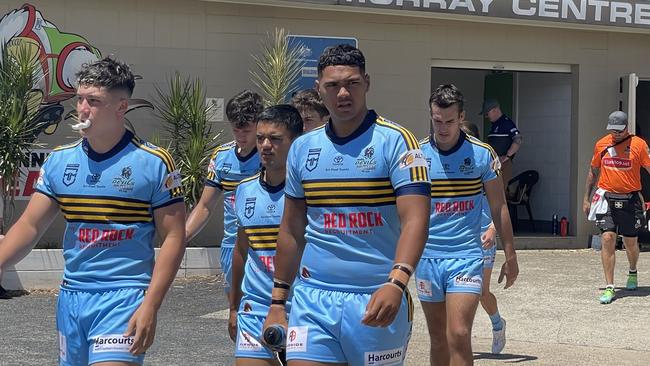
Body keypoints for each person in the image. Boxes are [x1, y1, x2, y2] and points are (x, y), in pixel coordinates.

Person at [0, 57, 186, 365]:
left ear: (121, 108)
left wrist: (151, 305)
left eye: (94, 101)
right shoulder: (60, 161)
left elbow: (174, 238)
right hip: (72, 298)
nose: (82, 109)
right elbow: (30, 226)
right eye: (80, 99)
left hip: (124, 297)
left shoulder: (153, 162)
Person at [263, 44, 431, 365]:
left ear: (367, 83)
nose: (343, 93)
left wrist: (397, 282)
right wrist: (277, 302)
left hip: (376, 300)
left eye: (352, 83)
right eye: (333, 85)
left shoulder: (396, 141)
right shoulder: (302, 149)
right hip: (313, 300)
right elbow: (291, 230)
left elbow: (416, 220)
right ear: (319, 89)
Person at [418, 85, 518, 366]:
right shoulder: (418, 154)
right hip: (428, 257)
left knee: (459, 333)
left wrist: (510, 254)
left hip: (466, 256)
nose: (443, 127)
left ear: (461, 117)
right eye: (437, 120)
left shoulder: (482, 154)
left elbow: (499, 206)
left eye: (450, 121)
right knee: (437, 337)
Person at [229, 104, 303, 365]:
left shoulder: (311, 192)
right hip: (255, 308)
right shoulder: (245, 190)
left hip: (301, 307)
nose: (265, 145)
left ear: (296, 142)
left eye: (275, 139)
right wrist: (234, 306)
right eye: (261, 138)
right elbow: (241, 250)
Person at [185, 90, 263, 299]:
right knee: (235, 311)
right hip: (232, 246)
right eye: (236, 130)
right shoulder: (221, 156)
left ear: (259, 123)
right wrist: (181, 238)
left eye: (246, 130)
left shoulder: (272, 155)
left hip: (265, 245)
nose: (240, 136)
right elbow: (205, 206)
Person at [584, 111, 650, 304]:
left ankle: (632, 271)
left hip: (630, 200)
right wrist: (586, 199)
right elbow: (593, 170)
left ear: (626, 128)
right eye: (613, 130)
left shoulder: (639, 145)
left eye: (619, 130)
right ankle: (610, 287)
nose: (616, 133)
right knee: (607, 237)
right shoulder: (601, 144)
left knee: (630, 243)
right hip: (607, 198)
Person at [460, 121, 507, 354]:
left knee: (480, 292)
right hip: (458, 237)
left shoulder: (485, 162)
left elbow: (499, 204)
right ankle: (459, 340)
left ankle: (498, 325)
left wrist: (492, 228)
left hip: (483, 234)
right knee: (457, 291)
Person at [481, 98, 522, 193]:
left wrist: (507, 156)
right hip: (493, 162)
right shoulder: (494, 124)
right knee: (489, 191)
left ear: (495, 110)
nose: (486, 117)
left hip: (502, 163)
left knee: (498, 192)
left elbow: (518, 139)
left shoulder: (506, 122)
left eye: (487, 113)